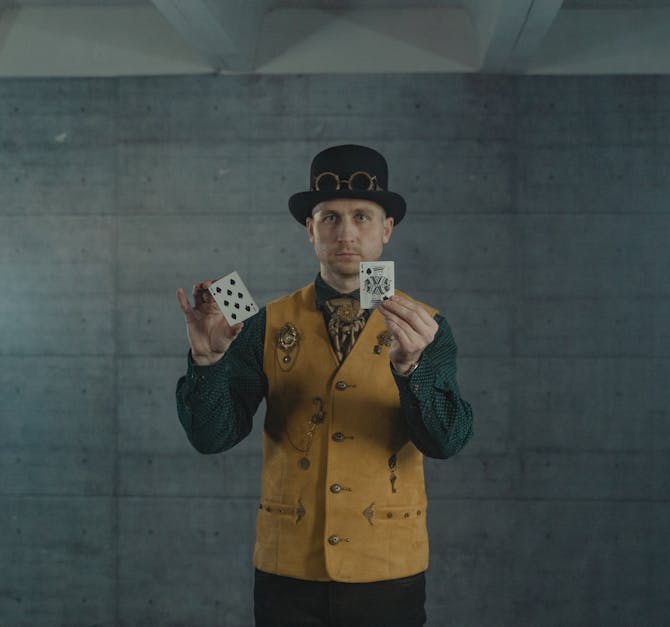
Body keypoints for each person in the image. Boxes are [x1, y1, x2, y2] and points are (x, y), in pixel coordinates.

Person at [175, 144, 474, 627]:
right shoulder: (258, 321)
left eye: (362, 216)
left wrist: (412, 370)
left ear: (387, 230)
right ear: (310, 229)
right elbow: (212, 438)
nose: (347, 233)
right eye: (330, 218)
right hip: (288, 567)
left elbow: (446, 442)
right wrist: (208, 362)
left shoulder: (428, 326)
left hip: (387, 567)